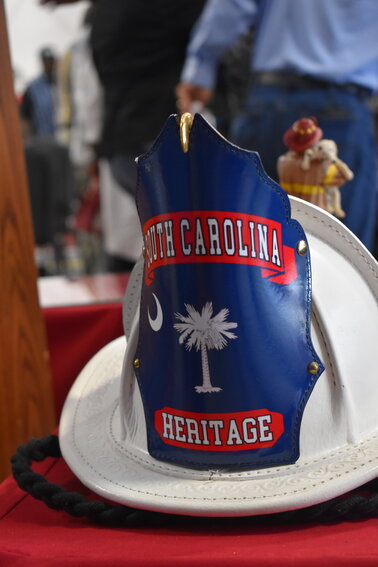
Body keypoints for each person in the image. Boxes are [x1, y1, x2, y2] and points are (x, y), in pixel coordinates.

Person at [176, 0, 378, 252]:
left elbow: (233, 5)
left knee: (247, 249)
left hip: (267, 105)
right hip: (342, 112)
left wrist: (201, 68)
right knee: (344, 259)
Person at [20, 47, 57, 138]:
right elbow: (25, 116)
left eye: (50, 60)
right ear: (42, 62)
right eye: (46, 61)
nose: (49, 64)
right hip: (42, 139)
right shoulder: (33, 87)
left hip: (66, 137)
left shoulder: (64, 82)